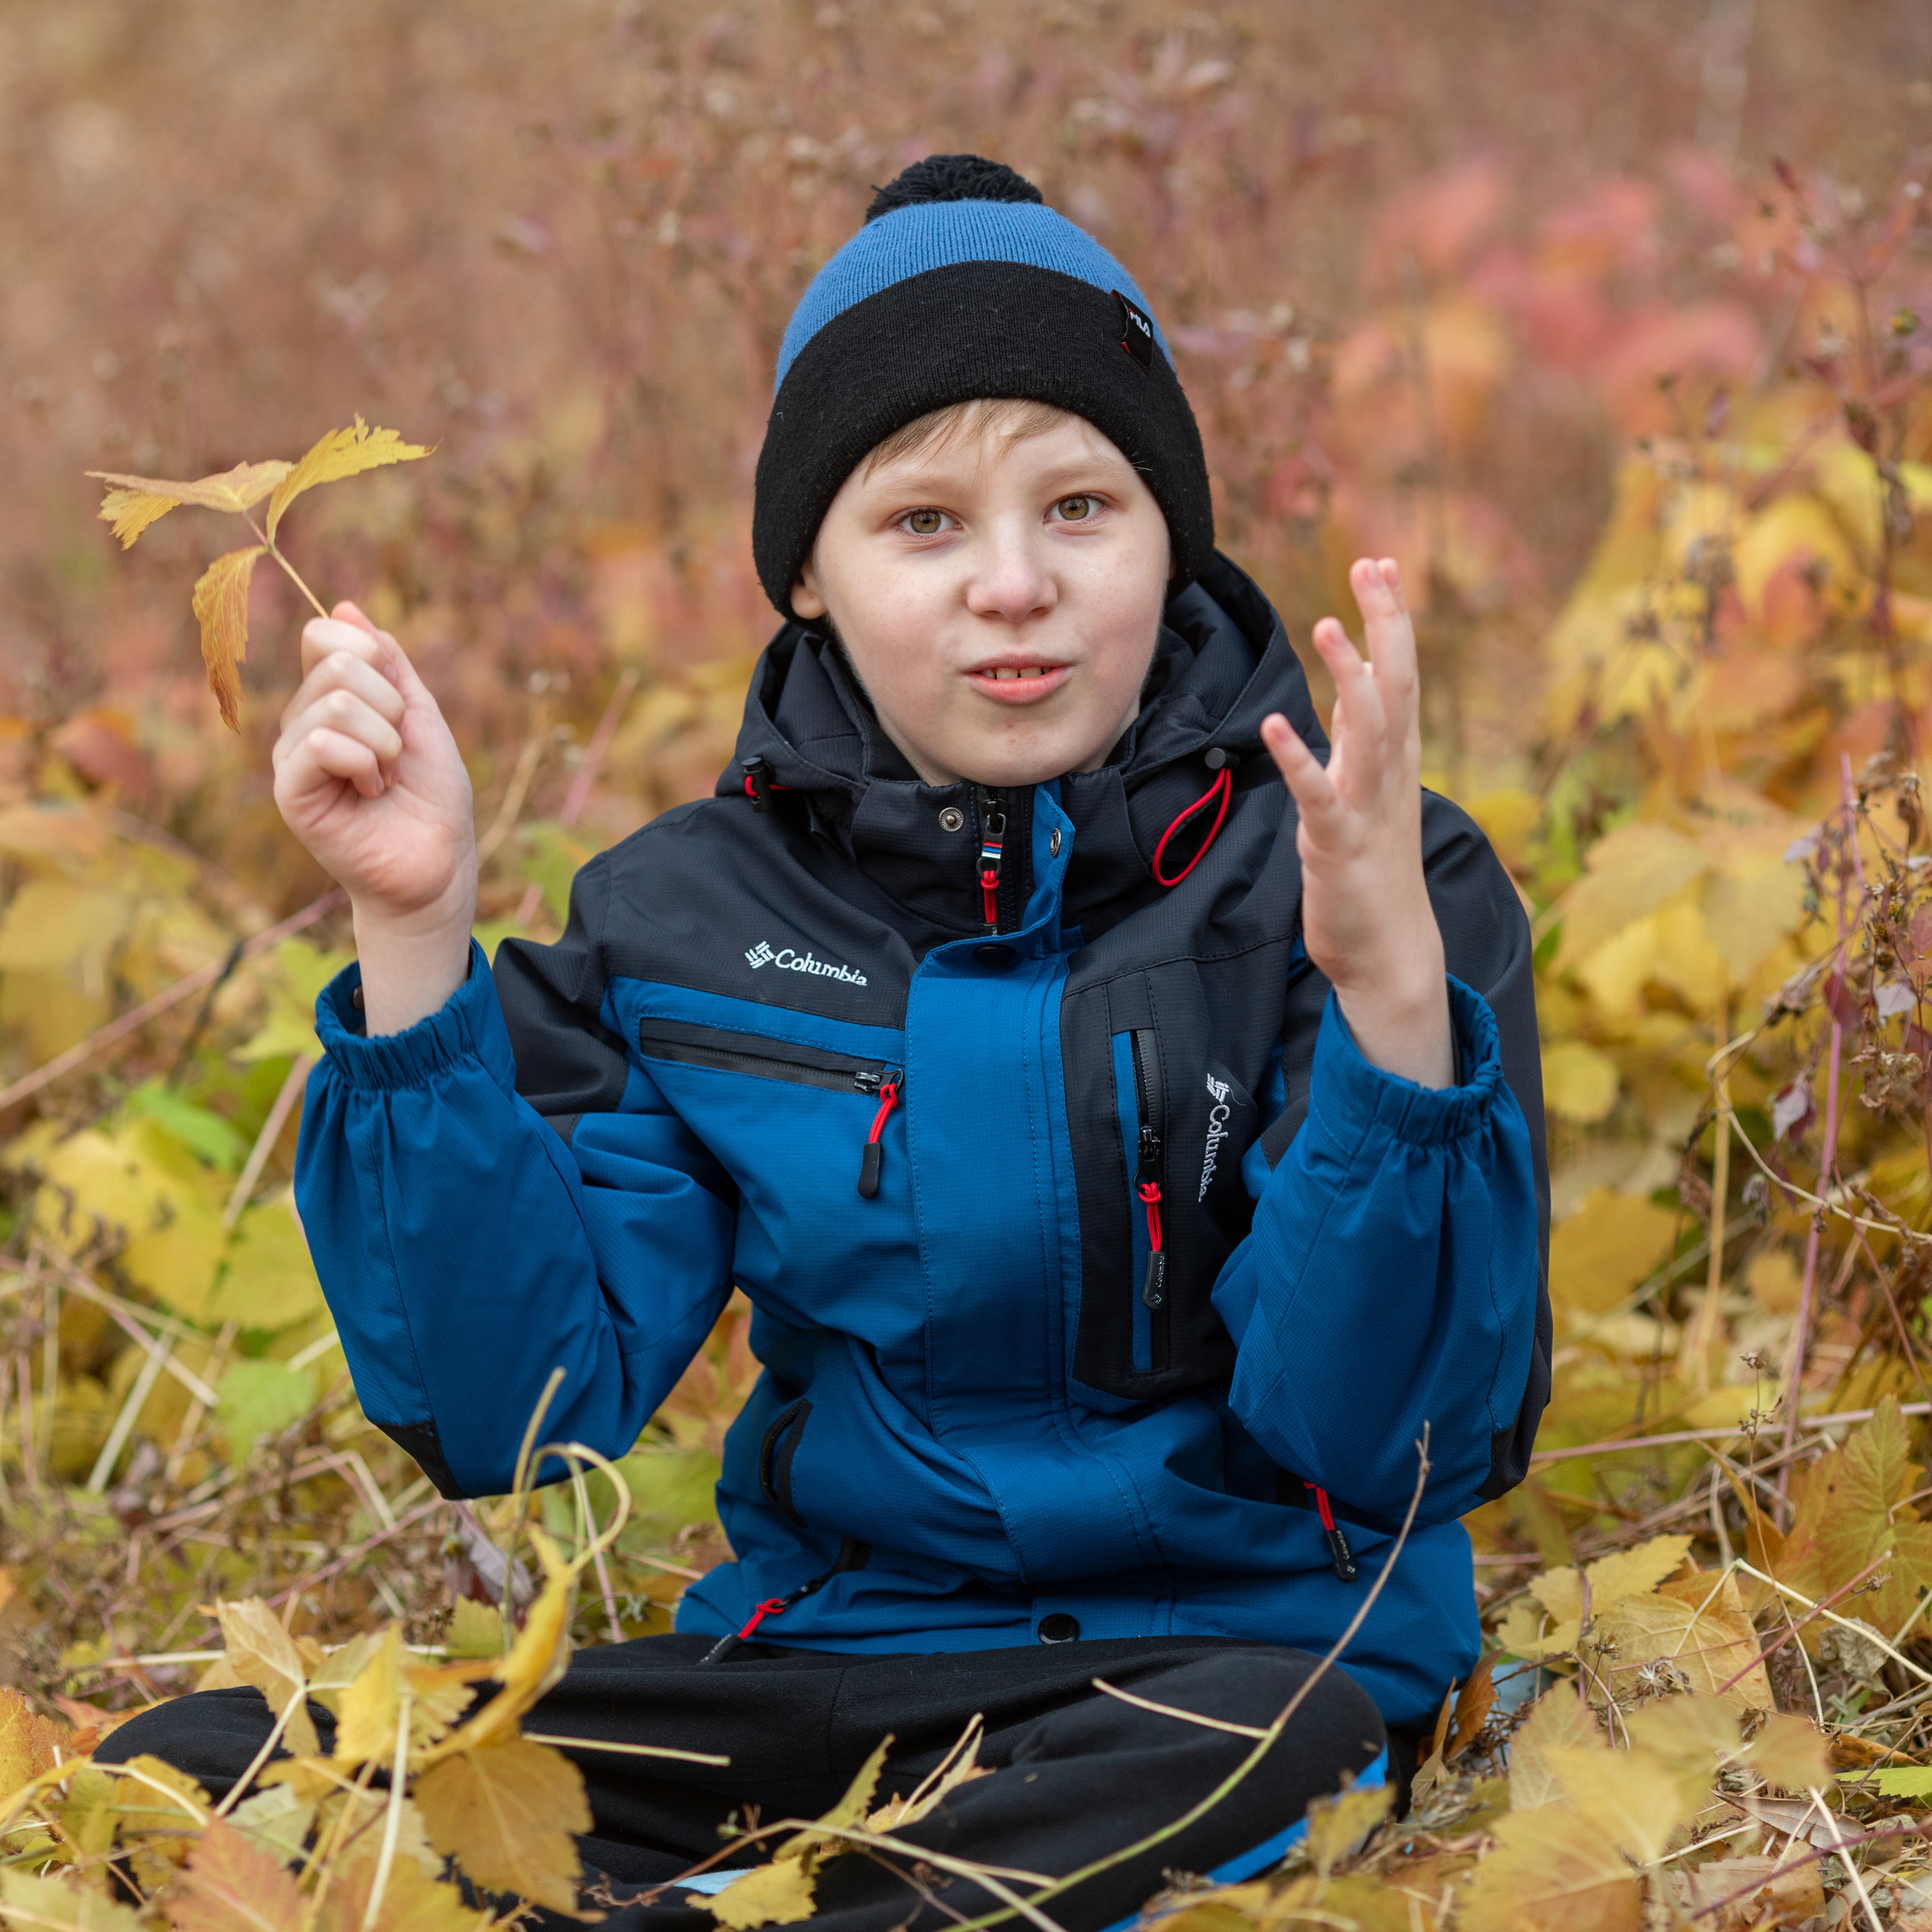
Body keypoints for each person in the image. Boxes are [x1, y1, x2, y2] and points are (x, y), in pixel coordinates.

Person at [100, 155, 1548, 1930]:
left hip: (1230, 1674)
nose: (1010, 584)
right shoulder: (685, 915)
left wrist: (1397, 998)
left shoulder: (1371, 871)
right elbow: (509, 1408)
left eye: (1080, 505)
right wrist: (412, 934)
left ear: (1172, 529)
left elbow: (1389, 1440)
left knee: (1276, 1741)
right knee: (196, 1763)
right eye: (921, 522)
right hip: (840, 1674)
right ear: (809, 578)